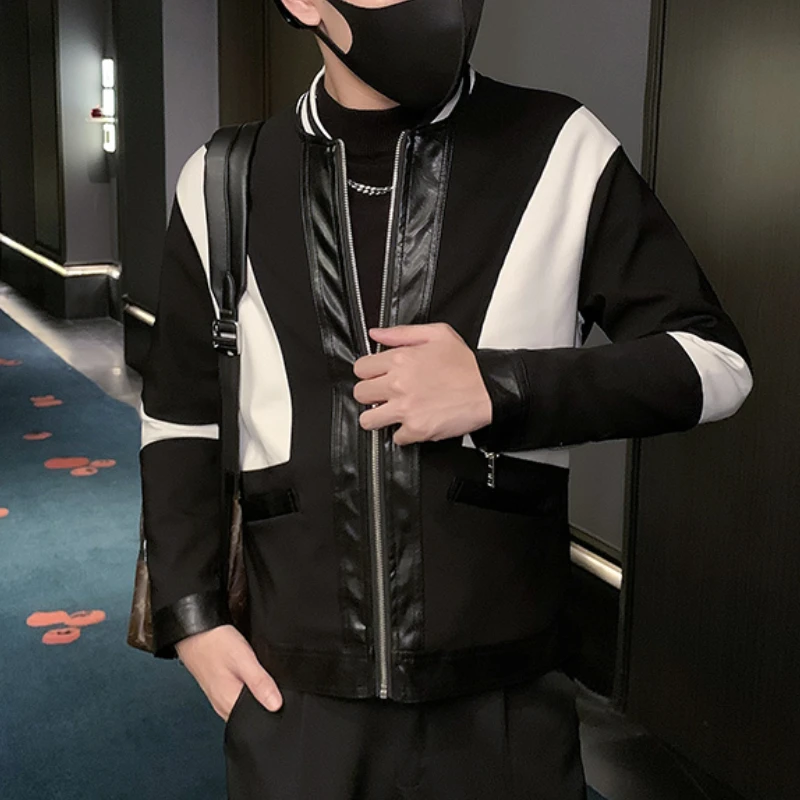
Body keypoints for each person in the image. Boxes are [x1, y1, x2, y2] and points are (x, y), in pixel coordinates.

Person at [137, 1, 754, 797]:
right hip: (298, 698)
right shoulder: (223, 178)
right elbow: (180, 414)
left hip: (505, 700)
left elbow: (716, 363)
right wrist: (192, 617)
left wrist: (503, 387)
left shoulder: (559, 147)